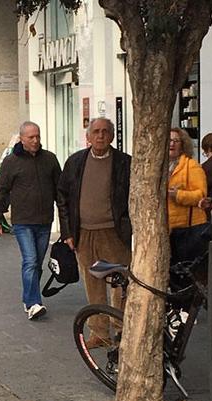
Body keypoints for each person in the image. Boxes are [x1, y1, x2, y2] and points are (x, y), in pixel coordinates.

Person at [57, 117, 132, 348]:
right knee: (93, 283)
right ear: (88, 137)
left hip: (114, 233)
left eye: (105, 132)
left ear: (112, 136)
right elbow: (63, 198)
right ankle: (100, 333)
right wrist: (68, 231)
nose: (100, 136)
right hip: (84, 233)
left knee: (121, 283)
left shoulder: (124, 163)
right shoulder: (75, 162)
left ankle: (122, 331)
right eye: (96, 132)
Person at [0, 121, 61, 321]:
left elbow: (60, 191)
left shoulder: (50, 160)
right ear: (22, 139)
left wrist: (66, 220)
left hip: (45, 220)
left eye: (38, 136)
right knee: (30, 261)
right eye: (31, 137)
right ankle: (33, 304)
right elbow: (1, 191)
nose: (36, 140)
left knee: (37, 263)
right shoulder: (11, 162)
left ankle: (28, 296)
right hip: (22, 222)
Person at [167, 128, 208, 263]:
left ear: (183, 144)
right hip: (167, 229)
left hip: (188, 229)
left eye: (176, 141)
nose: (172, 144)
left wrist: (178, 195)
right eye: (169, 140)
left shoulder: (191, 166)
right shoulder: (159, 167)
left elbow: (201, 195)